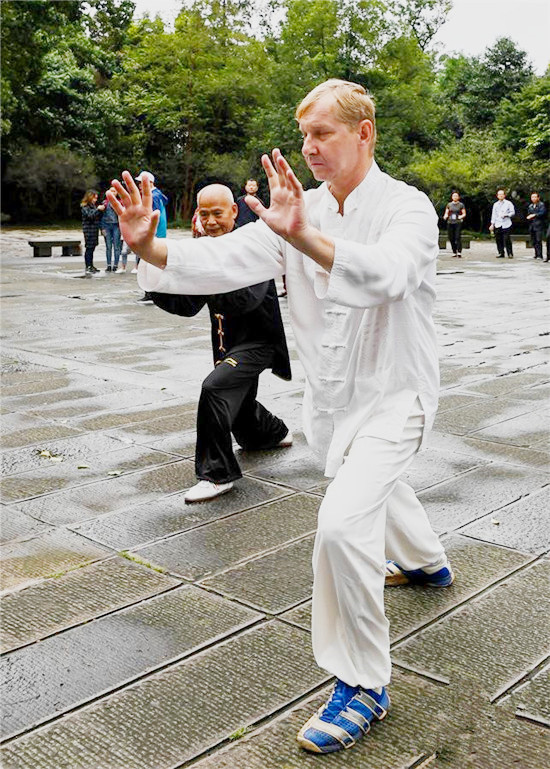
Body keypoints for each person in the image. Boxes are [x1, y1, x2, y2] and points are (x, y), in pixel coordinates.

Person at [108, 78, 453, 756]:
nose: (309, 147)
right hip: (333, 403)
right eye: (304, 136)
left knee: (342, 523)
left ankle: (361, 682)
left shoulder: (407, 208)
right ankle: (427, 562)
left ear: (364, 132)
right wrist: (149, 247)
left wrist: (306, 237)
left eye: (322, 133)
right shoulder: (301, 208)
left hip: (398, 393)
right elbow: (221, 257)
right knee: (372, 481)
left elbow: (386, 275)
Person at [150, 183, 292, 503]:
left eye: (218, 213)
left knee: (214, 388)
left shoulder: (251, 246)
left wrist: (207, 270)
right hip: (226, 343)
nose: (212, 221)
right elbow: (186, 305)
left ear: (233, 211)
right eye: (205, 214)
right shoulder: (206, 248)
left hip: (257, 343)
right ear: (196, 215)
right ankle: (273, 433)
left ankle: (217, 475)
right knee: (237, 405)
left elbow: (246, 300)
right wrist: (154, 269)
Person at [134, 170, 168, 301]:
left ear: (150, 183)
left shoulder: (152, 197)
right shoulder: (158, 195)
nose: (139, 185)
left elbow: (149, 218)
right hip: (157, 234)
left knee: (147, 264)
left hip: (152, 235)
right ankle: (152, 292)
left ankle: (150, 293)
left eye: (141, 183)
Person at [80, 190, 105, 274]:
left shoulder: (93, 206)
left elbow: (97, 217)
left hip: (94, 229)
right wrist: (98, 209)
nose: (95, 200)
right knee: (89, 248)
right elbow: (90, 215)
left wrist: (100, 211)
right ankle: (88, 266)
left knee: (93, 247)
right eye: (94, 198)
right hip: (88, 230)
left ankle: (91, 265)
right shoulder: (85, 206)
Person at [100, 181, 122, 272]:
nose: (113, 193)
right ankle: (109, 265)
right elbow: (100, 216)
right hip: (106, 226)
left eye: (114, 191)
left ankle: (115, 265)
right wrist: (102, 228)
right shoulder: (104, 202)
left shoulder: (120, 202)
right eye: (111, 191)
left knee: (116, 246)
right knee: (108, 246)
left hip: (116, 226)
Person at [490, 188, 515, 258]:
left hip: (506, 223)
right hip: (498, 223)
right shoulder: (495, 204)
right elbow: (493, 215)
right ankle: (501, 253)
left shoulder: (508, 203)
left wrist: (507, 215)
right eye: (499, 194)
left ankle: (510, 253)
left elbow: (512, 212)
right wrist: (492, 224)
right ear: (497, 196)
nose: (500, 196)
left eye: (502, 194)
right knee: (498, 239)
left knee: (507, 239)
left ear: (504, 195)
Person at [443, 190, 466, 257]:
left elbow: (464, 213)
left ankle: (459, 251)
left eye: (456, 196)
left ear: (458, 197)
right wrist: (445, 216)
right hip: (450, 222)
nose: (455, 197)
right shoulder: (449, 204)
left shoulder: (461, 205)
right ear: (452, 197)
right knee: (451, 237)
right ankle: (454, 251)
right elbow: (446, 212)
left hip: (457, 222)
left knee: (457, 237)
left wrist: (461, 216)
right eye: (454, 196)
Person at [526, 192, 546, 260]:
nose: (533, 198)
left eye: (535, 197)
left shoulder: (541, 205)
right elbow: (528, 213)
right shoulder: (530, 206)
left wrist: (534, 215)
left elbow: (542, 213)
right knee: (533, 240)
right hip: (532, 225)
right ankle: (536, 254)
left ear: (538, 198)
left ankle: (540, 255)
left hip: (539, 225)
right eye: (532, 197)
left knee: (538, 240)